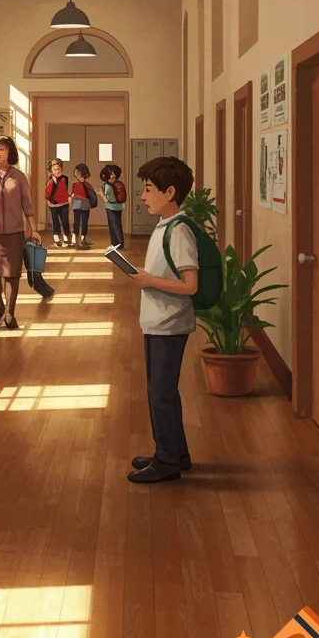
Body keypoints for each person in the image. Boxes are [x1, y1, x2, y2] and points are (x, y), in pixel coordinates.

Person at [126, 157, 198, 483]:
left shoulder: (179, 231)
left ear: (170, 192)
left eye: (148, 189)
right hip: (157, 322)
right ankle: (177, 453)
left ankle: (166, 461)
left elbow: (190, 285)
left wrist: (149, 280)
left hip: (169, 324)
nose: (142, 196)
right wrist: (148, 276)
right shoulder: (165, 226)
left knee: (160, 395)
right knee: (164, 392)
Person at [0, 136, 47, 330]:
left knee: (12, 273)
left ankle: (10, 313)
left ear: (9, 152)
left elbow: (27, 204)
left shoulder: (19, 177)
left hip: (14, 232)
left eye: (1, 149)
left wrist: (34, 229)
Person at [45, 159, 71, 247]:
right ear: (51, 171)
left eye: (59, 169)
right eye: (55, 169)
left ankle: (66, 236)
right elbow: (47, 194)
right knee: (55, 221)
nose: (57, 171)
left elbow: (64, 190)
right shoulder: (51, 182)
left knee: (65, 221)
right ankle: (57, 237)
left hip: (64, 203)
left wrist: (68, 197)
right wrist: (53, 201)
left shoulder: (65, 179)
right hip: (53, 204)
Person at [100, 164, 126, 248]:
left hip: (110, 207)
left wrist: (101, 194)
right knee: (118, 224)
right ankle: (119, 243)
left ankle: (116, 243)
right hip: (119, 206)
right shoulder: (119, 184)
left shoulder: (107, 185)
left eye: (113, 173)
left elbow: (106, 198)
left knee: (113, 225)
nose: (113, 175)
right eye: (111, 173)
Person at [70, 163, 92, 249]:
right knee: (78, 222)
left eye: (78, 172)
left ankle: (82, 238)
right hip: (78, 204)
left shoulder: (86, 184)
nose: (76, 173)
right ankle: (76, 238)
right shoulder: (75, 184)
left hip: (83, 204)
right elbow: (73, 193)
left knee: (83, 222)